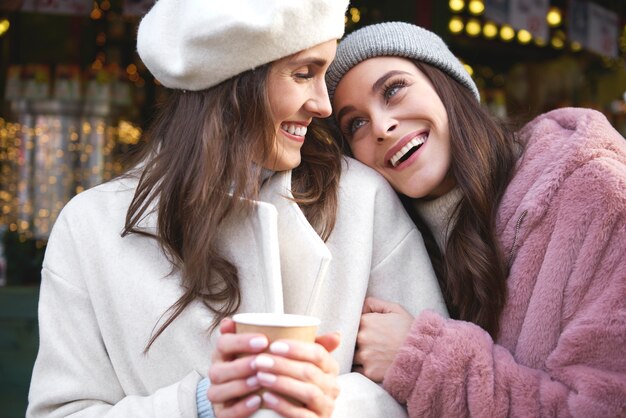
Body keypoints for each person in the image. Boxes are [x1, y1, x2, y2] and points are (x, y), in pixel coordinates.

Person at [27, 4, 448, 418]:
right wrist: (200, 404)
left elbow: (433, 395)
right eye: (304, 74)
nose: (323, 105)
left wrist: (329, 403)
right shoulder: (90, 227)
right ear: (233, 78)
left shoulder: (361, 198)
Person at [326, 21, 626, 417]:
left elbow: (601, 407)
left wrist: (420, 360)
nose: (381, 127)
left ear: (447, 86)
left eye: (394, 90)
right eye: (356, 124)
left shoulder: (595, 195)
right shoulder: (393, 244)